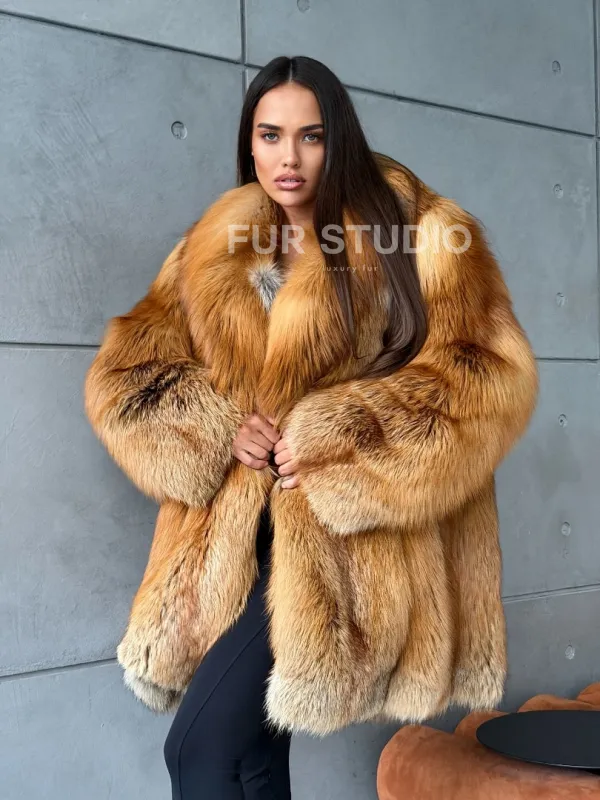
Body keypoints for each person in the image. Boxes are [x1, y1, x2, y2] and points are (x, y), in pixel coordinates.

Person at [83, 56, 539, 799]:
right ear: (250, 141)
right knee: (251, 761)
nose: (288, 157)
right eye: (270, 135)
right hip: (232, 543)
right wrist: (220, 427)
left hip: (347, 552)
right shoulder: (215, 247)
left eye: (311, 136)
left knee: (196, 753)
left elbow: (487, 375)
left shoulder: (419, 232)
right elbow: (128, 375)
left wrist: (334, 443)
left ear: (339, 139)